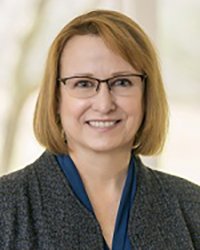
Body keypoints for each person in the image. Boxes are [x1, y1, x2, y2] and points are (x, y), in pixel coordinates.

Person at [0, 9, 199, 250]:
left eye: (122, 82)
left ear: (146, 96)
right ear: (56, 98)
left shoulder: (191, 206)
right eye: (83, 83)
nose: (104, 104)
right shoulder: (6, 206)